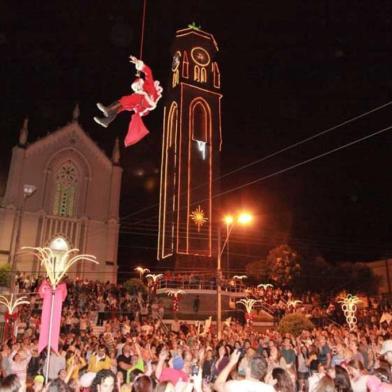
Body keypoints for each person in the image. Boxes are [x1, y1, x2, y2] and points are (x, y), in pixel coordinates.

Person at [94, 56, 163, 147]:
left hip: (145, 101)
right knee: (123, 106)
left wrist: (141, 65)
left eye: (138, 85)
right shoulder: (140, 90)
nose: (137, 88)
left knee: (127, 100)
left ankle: (108, 109)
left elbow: (149, 72)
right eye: (136, 87)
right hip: (140, 105)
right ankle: (107, 121)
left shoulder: (149, 85)